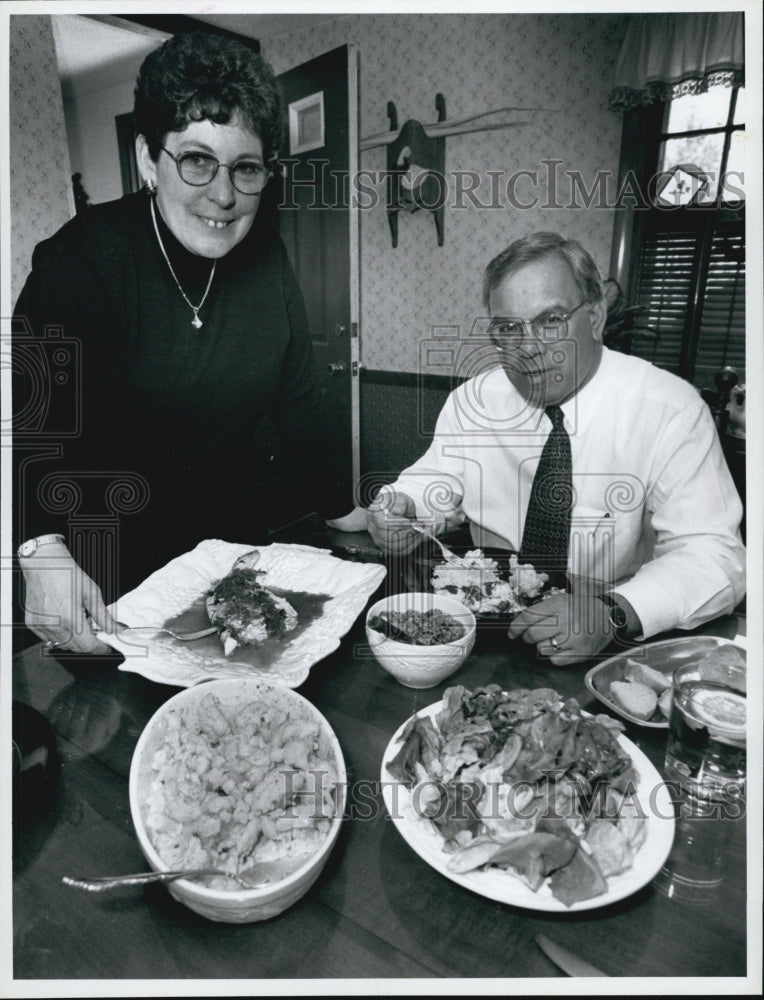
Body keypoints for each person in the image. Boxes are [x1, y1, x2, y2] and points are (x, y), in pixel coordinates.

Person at [13, 32, 348, 654]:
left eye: (245, 168)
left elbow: (301, 400)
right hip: (103, 574)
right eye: (197, 160)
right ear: (148, 158)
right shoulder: (81, 260)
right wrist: (39, 549)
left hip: (230, 561)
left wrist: (347, 510)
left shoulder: (267, 255)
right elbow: (28, 425)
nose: (223, 195)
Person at [364, 232, 746, 664]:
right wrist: (403, 510)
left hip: (607, 637)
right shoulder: (473, 401)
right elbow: (433, 479)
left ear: (596, 316)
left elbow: (715, 557)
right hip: (481, 632)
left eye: (551, 321)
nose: (529, 349)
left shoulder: (670, 410)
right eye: (509, 328)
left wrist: (613, 613)